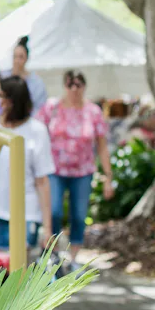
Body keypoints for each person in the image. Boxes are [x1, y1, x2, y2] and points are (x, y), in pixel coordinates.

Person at [36, 70, 114, 269]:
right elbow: (35, 134)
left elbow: (102, 146)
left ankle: (74, 258)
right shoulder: (52, 107)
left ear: (84, 86)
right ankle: (52, 254)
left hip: (83, 172)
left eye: (78, 84)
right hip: (55, 170)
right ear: (64, 86)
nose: (74, 88)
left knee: (79, 215)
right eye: (70, 84)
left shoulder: (93, 112)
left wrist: (108, 176)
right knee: (53, 211)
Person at [0, 76, 54, 251]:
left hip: (25, 213)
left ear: (11, 101)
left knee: (20, 273)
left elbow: (42, 181)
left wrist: (48, 228)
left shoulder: (36, 130)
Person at [5, 36, 47, 113]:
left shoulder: (36, 82)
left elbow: (40, 107)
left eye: (21, 57)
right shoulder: (4, 77)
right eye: (15, 56)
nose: (17, 61)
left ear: (26, 58)